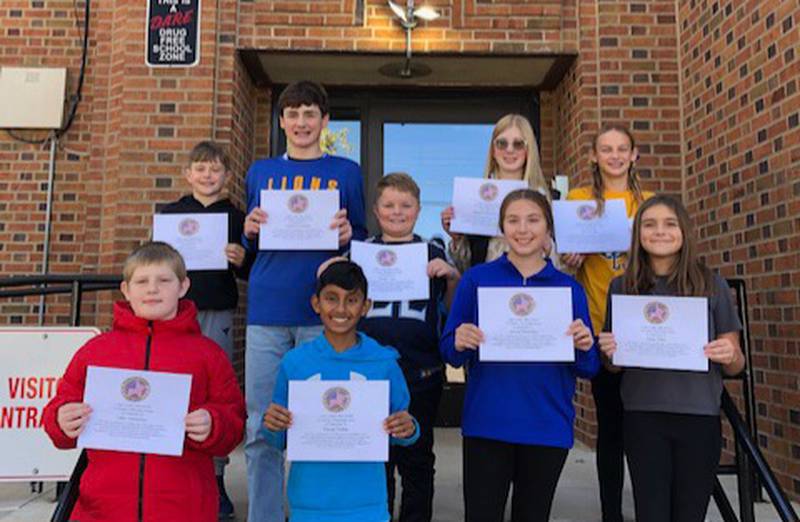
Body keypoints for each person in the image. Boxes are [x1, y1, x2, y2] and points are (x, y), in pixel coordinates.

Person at [42, 242, 246, 522]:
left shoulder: (208, 354)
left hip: (183, 508)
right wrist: (61, 420)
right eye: (142, 281)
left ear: (183, 286)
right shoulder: (97, 351)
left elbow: (234, 420)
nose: (152, 289)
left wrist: (214, 423)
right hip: (102, 508)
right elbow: (58, 411)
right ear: (126, 289)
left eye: (164, 280)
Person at [242, 80, 367, 522]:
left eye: (310, 114)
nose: (301, 123)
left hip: (327, 315)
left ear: (325, 121)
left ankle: (318, 514)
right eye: (292, 114)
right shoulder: (260, 172)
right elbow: (250, 246)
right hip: (268, 310)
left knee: (320, 425)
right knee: (262, 426)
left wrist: (352, 237)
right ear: (281, 122)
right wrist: (249, 231)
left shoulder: (347, 172)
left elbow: (363, 240)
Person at [440, 189, 599, 521]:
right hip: (488, 423)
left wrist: (585, 345)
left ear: (548, 231)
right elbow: (449, 352)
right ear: (501, 229)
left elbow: (589, 367)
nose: (523, 229)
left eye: (533, 220)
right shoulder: (476, 280)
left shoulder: (568, 289)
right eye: (513, 220)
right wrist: (458, 340)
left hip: (546, 425)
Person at [597, 195, 744, 522]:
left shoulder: (710, 284)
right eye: (649, 225)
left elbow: (736, 363)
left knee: (689, 513)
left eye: (669, 224)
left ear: (685, 232)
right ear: (638, 235)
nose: (659, 232)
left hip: (699, 415)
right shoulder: (622, 286)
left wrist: (728, 353)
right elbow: (613, 365)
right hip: (642, 415)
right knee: (651, 512)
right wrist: (609, 352)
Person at [262, 260, 419, 522]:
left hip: (367, 504)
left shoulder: (383, 362)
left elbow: (403, 430)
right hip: (308, 504)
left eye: (352, 300)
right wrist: (273, 425)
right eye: (331, 299)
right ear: (316, 304)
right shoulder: (295, 362)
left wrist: (408, 428)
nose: (341, 309)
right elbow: (278, 438)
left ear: (366, 306)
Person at [561, 123, 652, 522]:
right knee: (611, 429)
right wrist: (571, 258)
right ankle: (611, 513)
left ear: (634, 155)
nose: (614, 156)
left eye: (622, 149)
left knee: (645, 430)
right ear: (594, 157)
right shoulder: (579, 199)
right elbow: (564, 263)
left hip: (647, 330)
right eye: (606, 149)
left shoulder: (650, 203)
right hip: (603, 328)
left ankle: (652, 507)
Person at [357, 173, 460, 522]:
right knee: (376, 458)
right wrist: (331, 267)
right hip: (370, 372)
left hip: (421, 371)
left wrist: (450, 277)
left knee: (416, 457)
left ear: (418, 210)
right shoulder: (361, 252)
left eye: (406, 205)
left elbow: (452, 309)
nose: (397, 212)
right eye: (388, 205)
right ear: (375, 209)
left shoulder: (432, 251)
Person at [158, 140, 252, 518]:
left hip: (217, 312)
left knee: (212, 390)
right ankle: (171, 472)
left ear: (227, 176)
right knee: (173, 388)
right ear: (188, 174)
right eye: (200, 168)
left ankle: (215, 478)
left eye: (215, 169)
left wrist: (242, 258)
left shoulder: (237, 217)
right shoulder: (172, 214)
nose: (207, 175)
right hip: (175, 315)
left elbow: (249, 268)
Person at [440, 114, 553, 273]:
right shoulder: (474, 198)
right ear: (493, 150)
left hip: (531, 290)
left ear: (528, 150)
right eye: (502, 143)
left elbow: (561, 268)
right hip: (485, 289)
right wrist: (457, 238)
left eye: (518, 144)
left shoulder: (545, 199)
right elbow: (464, 268)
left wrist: (549, 246)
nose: (509, 149)